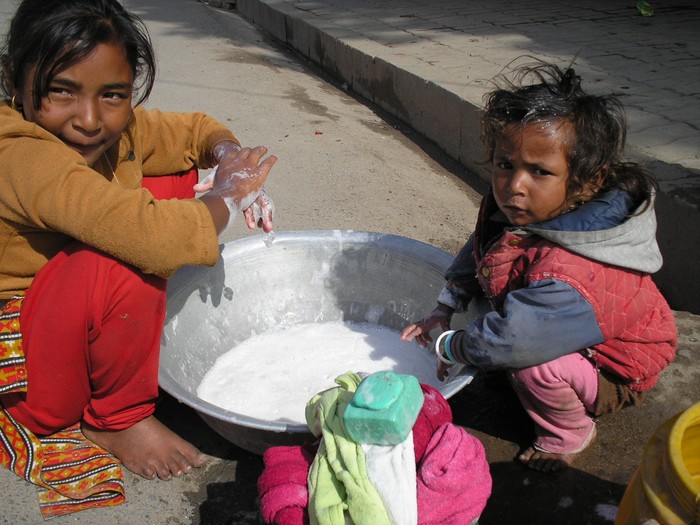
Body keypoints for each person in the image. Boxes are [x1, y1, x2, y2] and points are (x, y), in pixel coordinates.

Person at [0, 0, 277, 508]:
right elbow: (149, 238)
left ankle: (120, 352)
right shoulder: (18, 154)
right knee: (130, 249)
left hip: (61, 311)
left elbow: (191, 132)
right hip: (29, 373)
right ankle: (117, 418)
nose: (89, 120)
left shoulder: (117, 129)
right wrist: (229, 198)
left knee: (177, 178)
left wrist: (227, 157)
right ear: (13, 80)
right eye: (61, 90)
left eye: (112, 94)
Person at [401, 61, 678, 473]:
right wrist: (446, 306)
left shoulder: (574, 271)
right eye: (505, 164)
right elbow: (481, 247)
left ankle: (567, 433)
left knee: (529, 361)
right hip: (564, 331)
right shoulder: (522, 209)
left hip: (616, 367)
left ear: (587, 182)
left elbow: (515, 341)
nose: (514, 185)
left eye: (540, 172)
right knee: (506, 333)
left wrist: (450, 345)